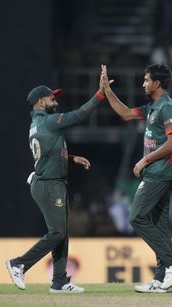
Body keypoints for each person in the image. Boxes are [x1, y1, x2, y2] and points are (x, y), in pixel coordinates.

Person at [6, 74, 106, 293]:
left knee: (62, 233)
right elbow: (79, 115)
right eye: (52, 99)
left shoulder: (36, 124)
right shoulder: (49, 121)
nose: (56, 102)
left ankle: (59, 281)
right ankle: (19, 264)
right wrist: (101, 94)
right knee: (57, 233)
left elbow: (48, 152)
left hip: (51, 182)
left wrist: (71, 158)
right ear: (40, 102)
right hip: (49, 184)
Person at [101, 63, 172, 293]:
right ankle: (161, 279)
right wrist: (107, 92)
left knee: (137, 217)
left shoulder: (168, 108)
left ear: (157, 83)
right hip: (156, 172)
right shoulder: (153, 107)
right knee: (159, 225)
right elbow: (126, 113)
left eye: (147, 80)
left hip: (159, 172)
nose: (143, 83)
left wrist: (144, 160)